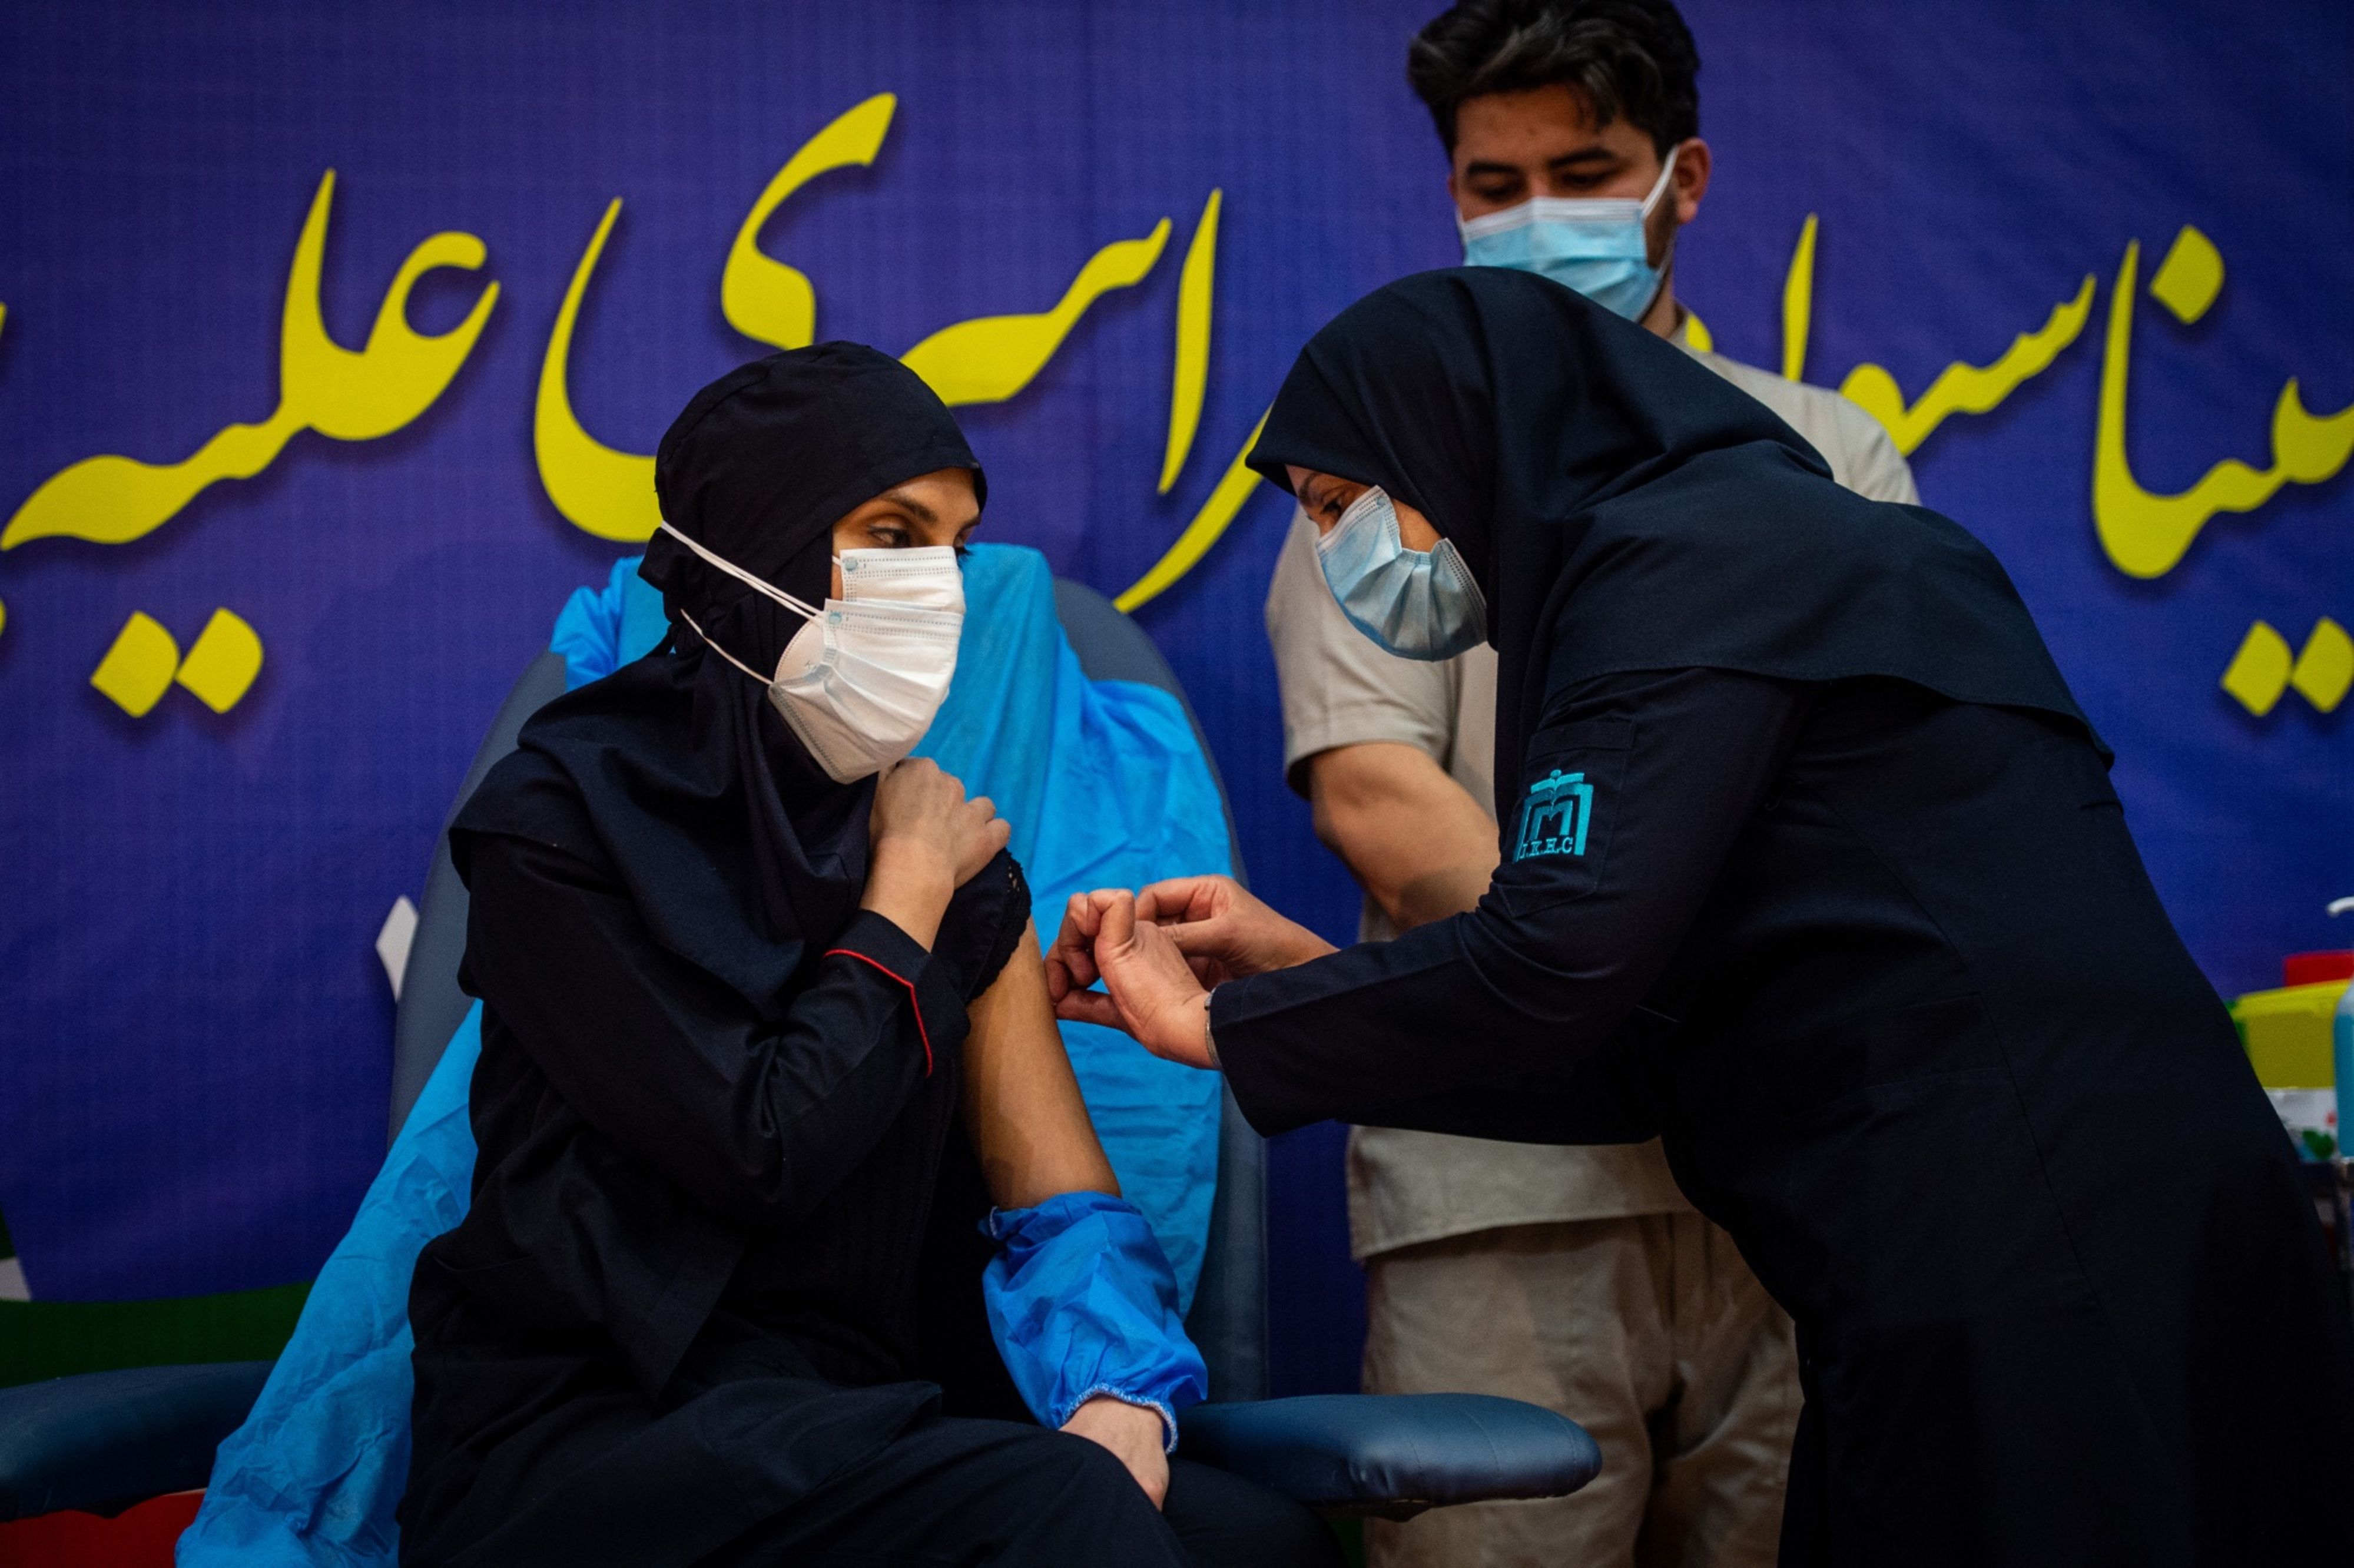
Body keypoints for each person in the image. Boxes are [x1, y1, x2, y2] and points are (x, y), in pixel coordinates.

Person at [1050, 268, 2354, 1567]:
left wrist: (1224, 1029)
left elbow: (1555, 957)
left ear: (1457, 434)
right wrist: (1297, 977)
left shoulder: (1679, 569)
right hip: (2035, 1231)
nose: (1335, 551)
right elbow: (1631, 1052)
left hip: (2032, 1246)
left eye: (1340, 504)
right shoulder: (1751, 554)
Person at [397, 345, 1340, 1568]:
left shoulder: (956, 865)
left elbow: (1057, 1202)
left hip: (845, 1427)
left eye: (954, 549)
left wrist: (1118, 1396)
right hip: (597, 1432)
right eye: (892, 536)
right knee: (1060, 1516)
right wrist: (902, 900)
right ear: (755, 544)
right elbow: (759, 1151)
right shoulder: (561, 829)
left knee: (1255, 1545)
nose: (937, 590)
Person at [1261, 5, 1914, 1563]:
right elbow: (1372, 792)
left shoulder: (1830, 455)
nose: (1538, 218)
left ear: (1682, 177)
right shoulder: (1381, 457)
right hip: (1501, 1180)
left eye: (1584, 172)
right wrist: (1612, 980)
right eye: (1496, 187)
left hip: (1784, 1185)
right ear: (1451, 198)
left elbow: (1881, 803)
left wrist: (1674, 1005)